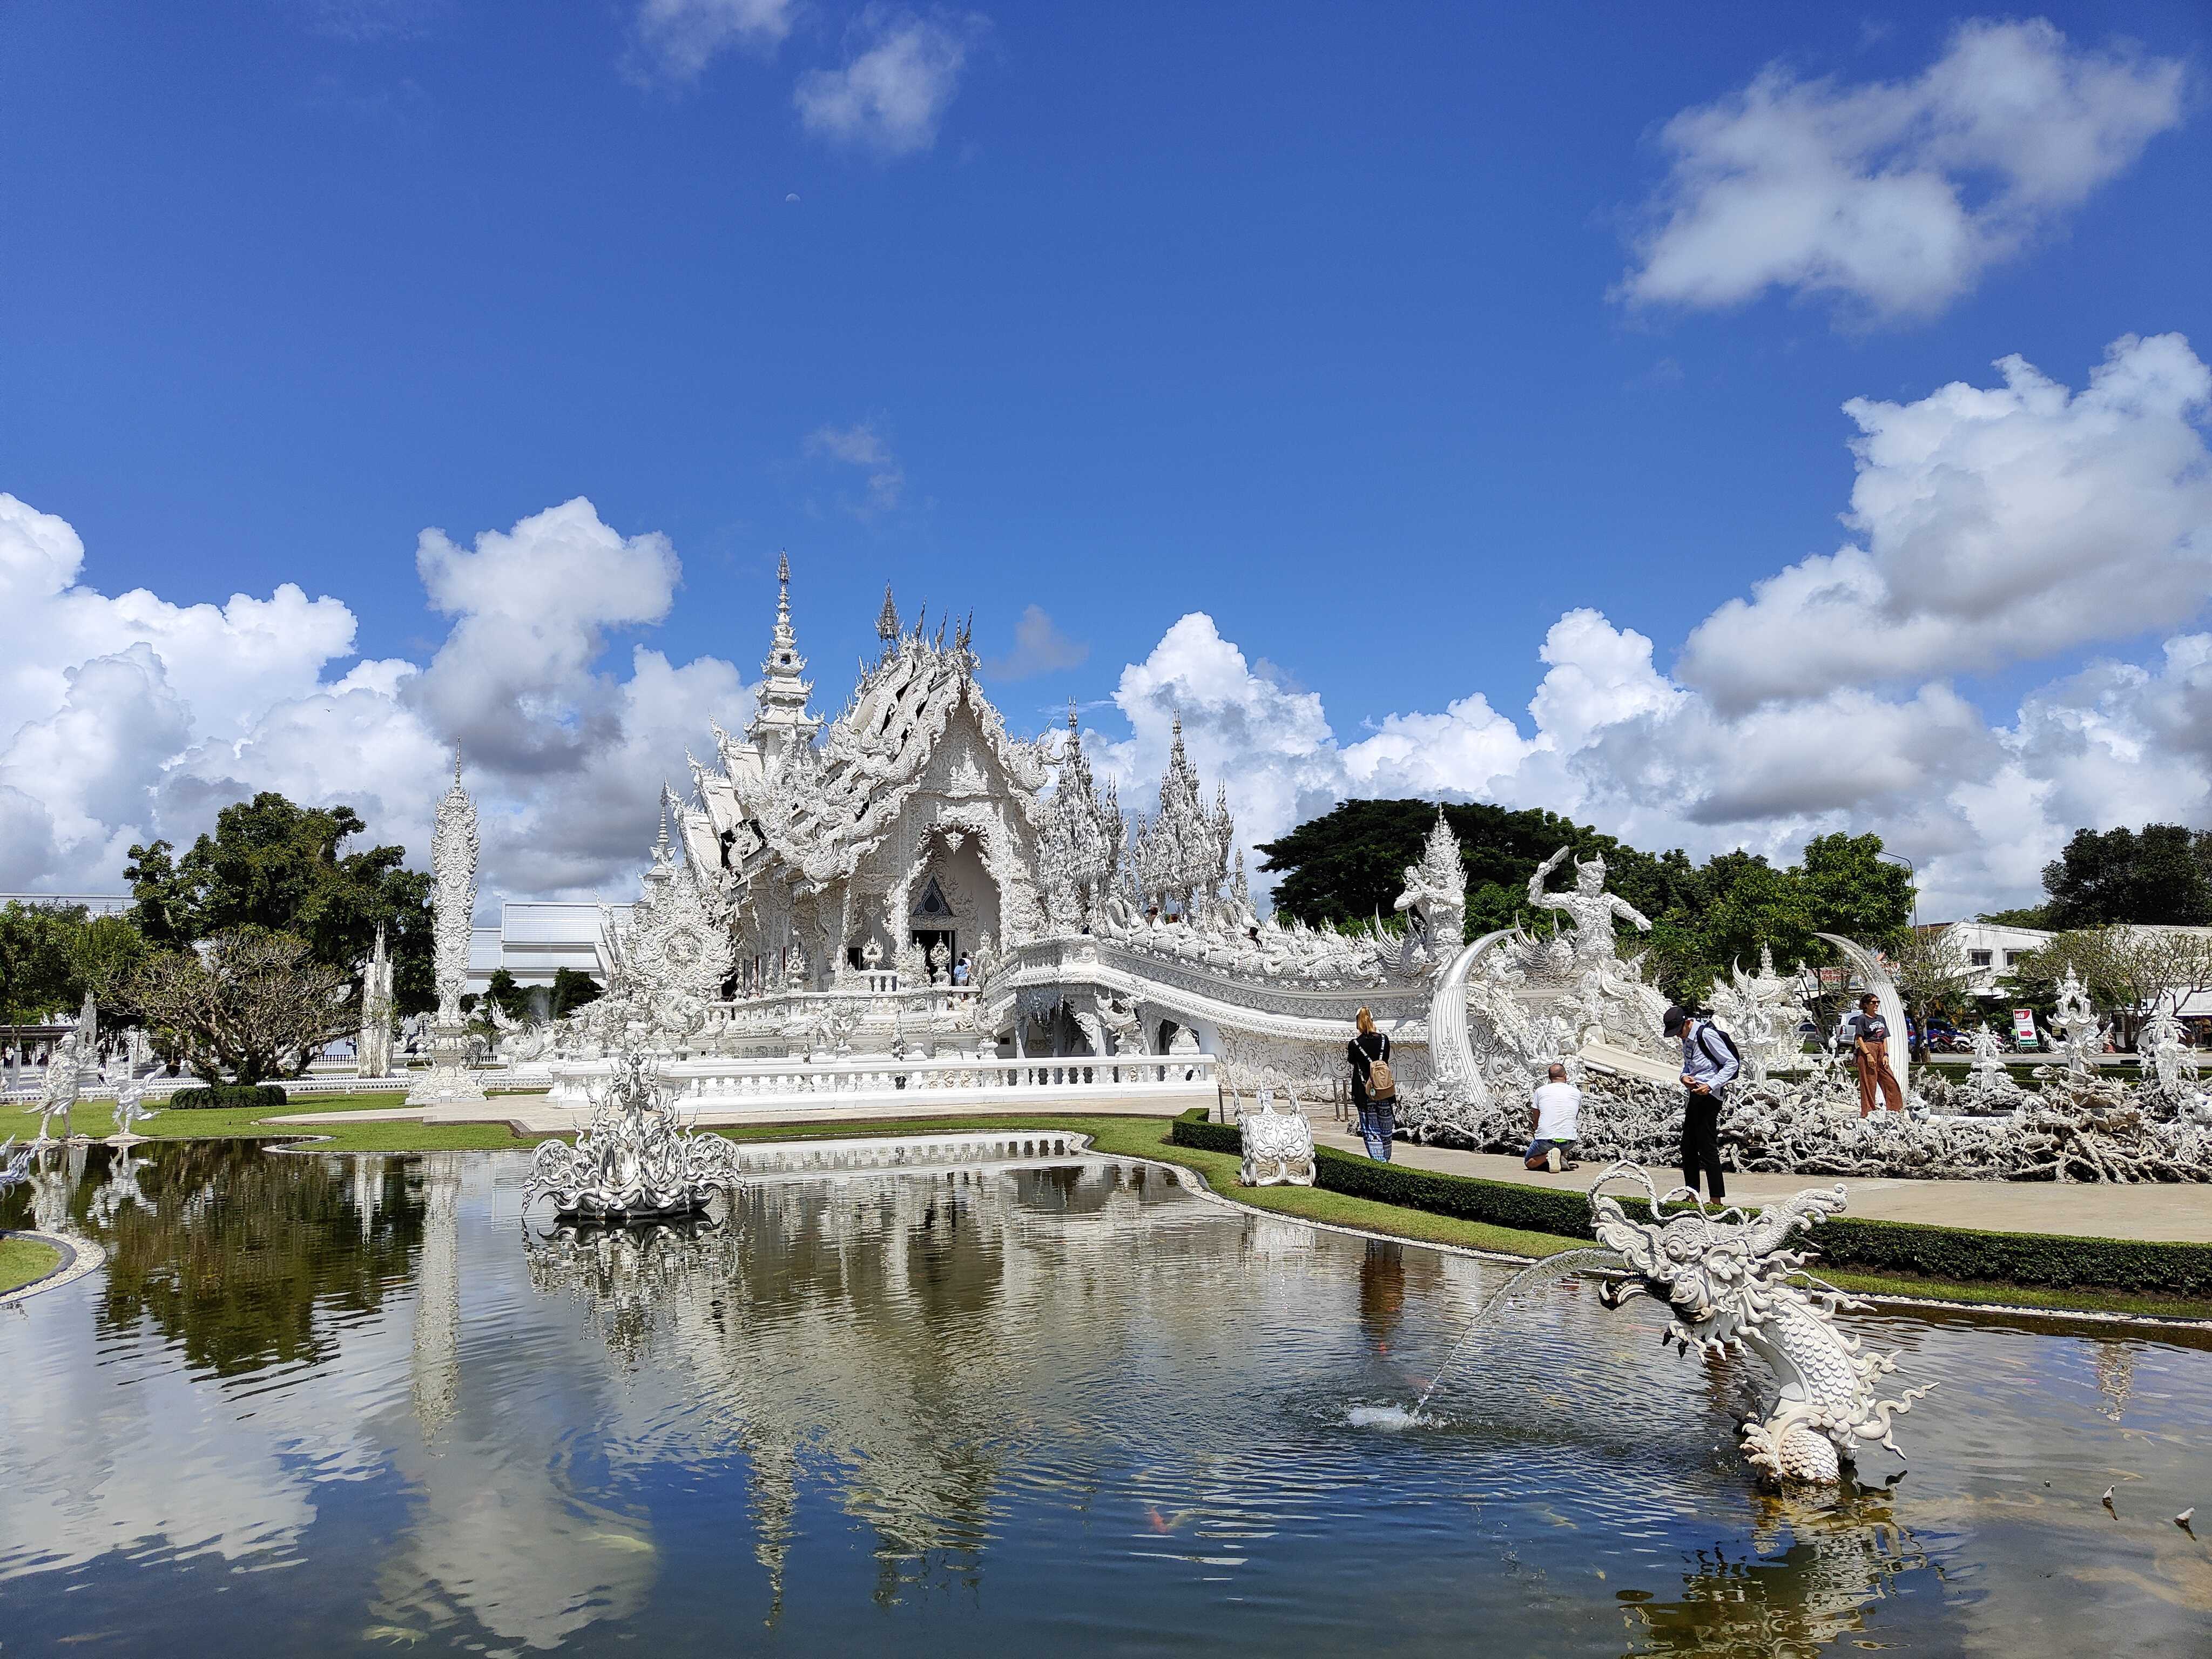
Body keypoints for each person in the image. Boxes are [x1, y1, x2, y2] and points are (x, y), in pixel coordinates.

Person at [1663, 1003, 1737, 1201]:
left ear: (1688, 1023)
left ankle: (1716, 1199)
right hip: (1696, 1093)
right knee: (1688, 1146)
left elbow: (1732, 1064)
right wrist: (1683, 1077)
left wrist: (1711, 1085)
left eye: (1679, 1031)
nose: (1678, 1036)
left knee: (1707, 1147)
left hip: (1710, 1095)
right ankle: (1692, 1194)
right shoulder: (1688, 1038)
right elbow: (1689, 1064)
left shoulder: (1707, 1035)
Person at [1844, 993, 1906, 1117]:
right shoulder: (1862, 1019)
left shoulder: (1881, 1019)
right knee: (1869, 1082)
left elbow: (1884, 1038)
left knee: (1890, 1081)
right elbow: (1859, 1038)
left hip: (1880, 1050)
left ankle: (1895, 1110)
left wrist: (1886, 1055)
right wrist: (1868, 1054)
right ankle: (1868, 1112)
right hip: (1868, 1049)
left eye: (1878, 1002)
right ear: (1866, 1005)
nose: (1877, 1004)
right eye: (1874, 1002)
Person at [1347, 1006, 1396, 1161]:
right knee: (1386, 1125)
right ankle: (1386, 1159)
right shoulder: (1384, 1040)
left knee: (1371, 1126)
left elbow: (1352, 1060)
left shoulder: (1355, 1044)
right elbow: (1385, 1058)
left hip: (1365, 1090)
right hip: (1384, 1088)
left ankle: (1378, 1161)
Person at [1525, 1062, 1581, 1172]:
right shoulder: (1577, 1092)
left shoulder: (1540, 1091)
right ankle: (1561, 1157)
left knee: (1529, 1162)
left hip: (1546, 1140)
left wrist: (1536, 1127)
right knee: (1565, 1133)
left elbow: (1536, 1117)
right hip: (1569, 1141)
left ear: (1549, 1078)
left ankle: (1548, 1156)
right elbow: (1575, 1115)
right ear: (1566, 1076)